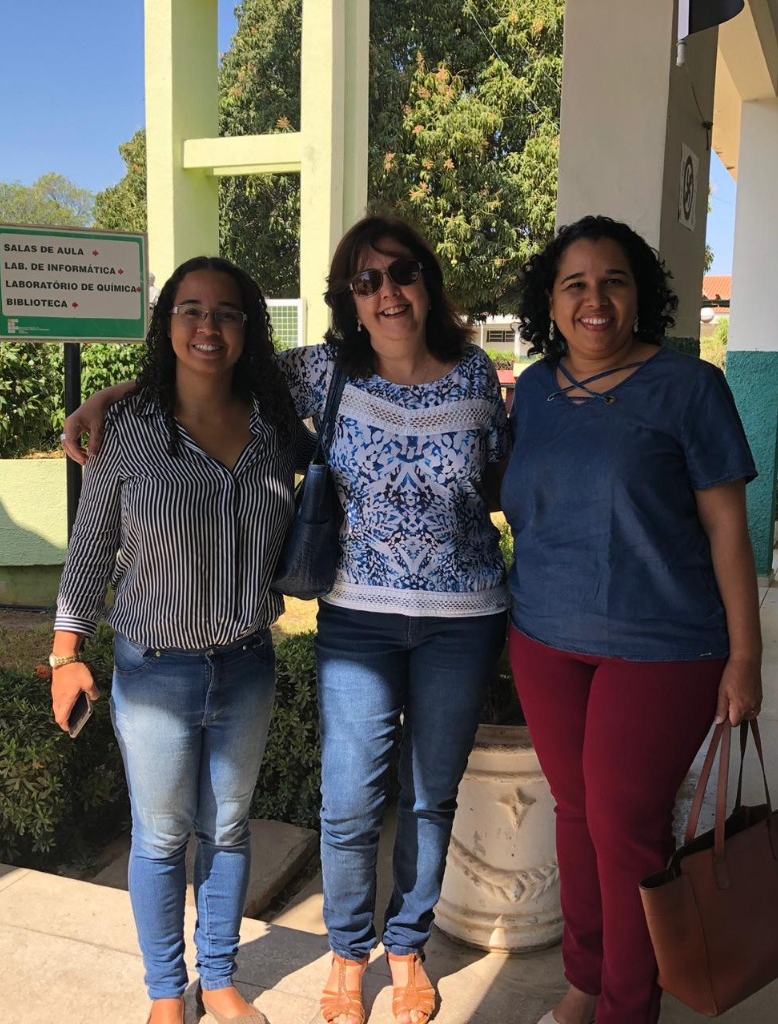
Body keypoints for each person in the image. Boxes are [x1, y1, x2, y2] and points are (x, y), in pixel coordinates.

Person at [63, 216, 510, 1024]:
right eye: (366, 281)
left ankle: (405, 950)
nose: (386, 292)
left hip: (457, 618)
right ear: (349, 298)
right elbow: (208, 361)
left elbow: (502, 475)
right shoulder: (324, 370)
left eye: (401, 273)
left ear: (427, 280)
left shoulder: (475, 374)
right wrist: (107, 396)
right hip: (354, 619)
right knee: (344, 803)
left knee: (426, 797)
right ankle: (344, 955)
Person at [501, 215, 763, 1024]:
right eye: (575, 284)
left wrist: (745, 657)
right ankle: (585, 985)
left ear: (640, 294)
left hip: (662, 648)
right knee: (577, 816)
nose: (595, 299)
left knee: (625, 828)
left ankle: (626, 1007)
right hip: (544, 639)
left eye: (614, 281)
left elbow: (727, 528)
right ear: (551, 300)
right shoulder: (535, 390)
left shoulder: (689, 388)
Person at [51, 255, 301, 1024]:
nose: (208, 326)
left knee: (226, 830)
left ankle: (217, 980)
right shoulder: (128, 431)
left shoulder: (277, 429)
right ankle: (166, 992)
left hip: (247, 667)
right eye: (190, 310)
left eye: (226, 312)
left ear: (248, 328)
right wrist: (65, 654)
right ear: (166, 324)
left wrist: (103, 391)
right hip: (154, 673)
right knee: (160, 838)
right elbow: (90, 549)